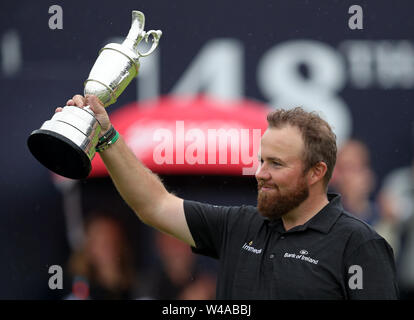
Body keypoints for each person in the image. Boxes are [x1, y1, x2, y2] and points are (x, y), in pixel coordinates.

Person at [57, 94, 399, 299]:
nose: (261, 172)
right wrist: (106, 137)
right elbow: (155, 204)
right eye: (261, 160)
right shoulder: (241, 226)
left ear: (316, 172)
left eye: (276, 164)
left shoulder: (359, 245)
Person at [65, 212, 138, 300]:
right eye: (101, 241)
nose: (107, 246)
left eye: (111, 239)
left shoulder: (141, 287)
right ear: (88, 247)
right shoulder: (78, 294)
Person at [330, 139, 380, 225]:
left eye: (349, 167)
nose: (341, 177)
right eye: (339, 168)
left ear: (366, 175)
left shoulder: (383, 215)